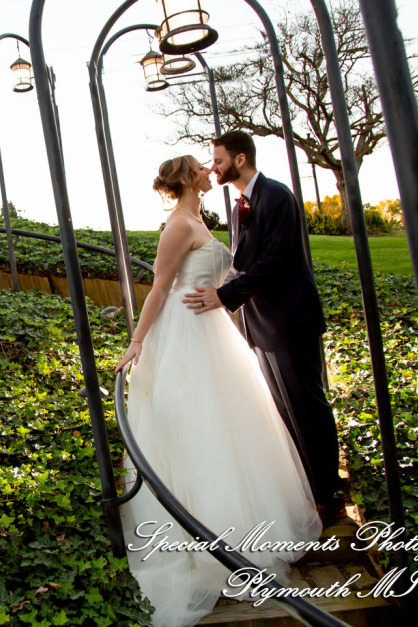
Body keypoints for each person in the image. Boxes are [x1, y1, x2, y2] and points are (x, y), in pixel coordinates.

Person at [116, 154, 321, 627]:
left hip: (212, 330)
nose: (210, 170)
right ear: (188, 178)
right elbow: (159, 287)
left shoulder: (197, 220)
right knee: (199, 427)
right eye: (201, 166)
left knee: (231, 427)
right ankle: (202, 540)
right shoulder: (177, 226)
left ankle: (241, 531)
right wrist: (138, 340)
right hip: (185, 333)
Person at [182, 130, 345, 523]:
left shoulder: (276, 196)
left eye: (218, 160)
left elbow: (276, 261)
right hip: (262, 326)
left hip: (291, 321)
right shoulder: (243, 205)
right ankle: (306, 490)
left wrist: (224, 296)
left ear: (239, 159)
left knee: (307, 407)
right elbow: (243, 263)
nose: (213, 168)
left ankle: (329, 494)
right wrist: (219, 294)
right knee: (284, 410)